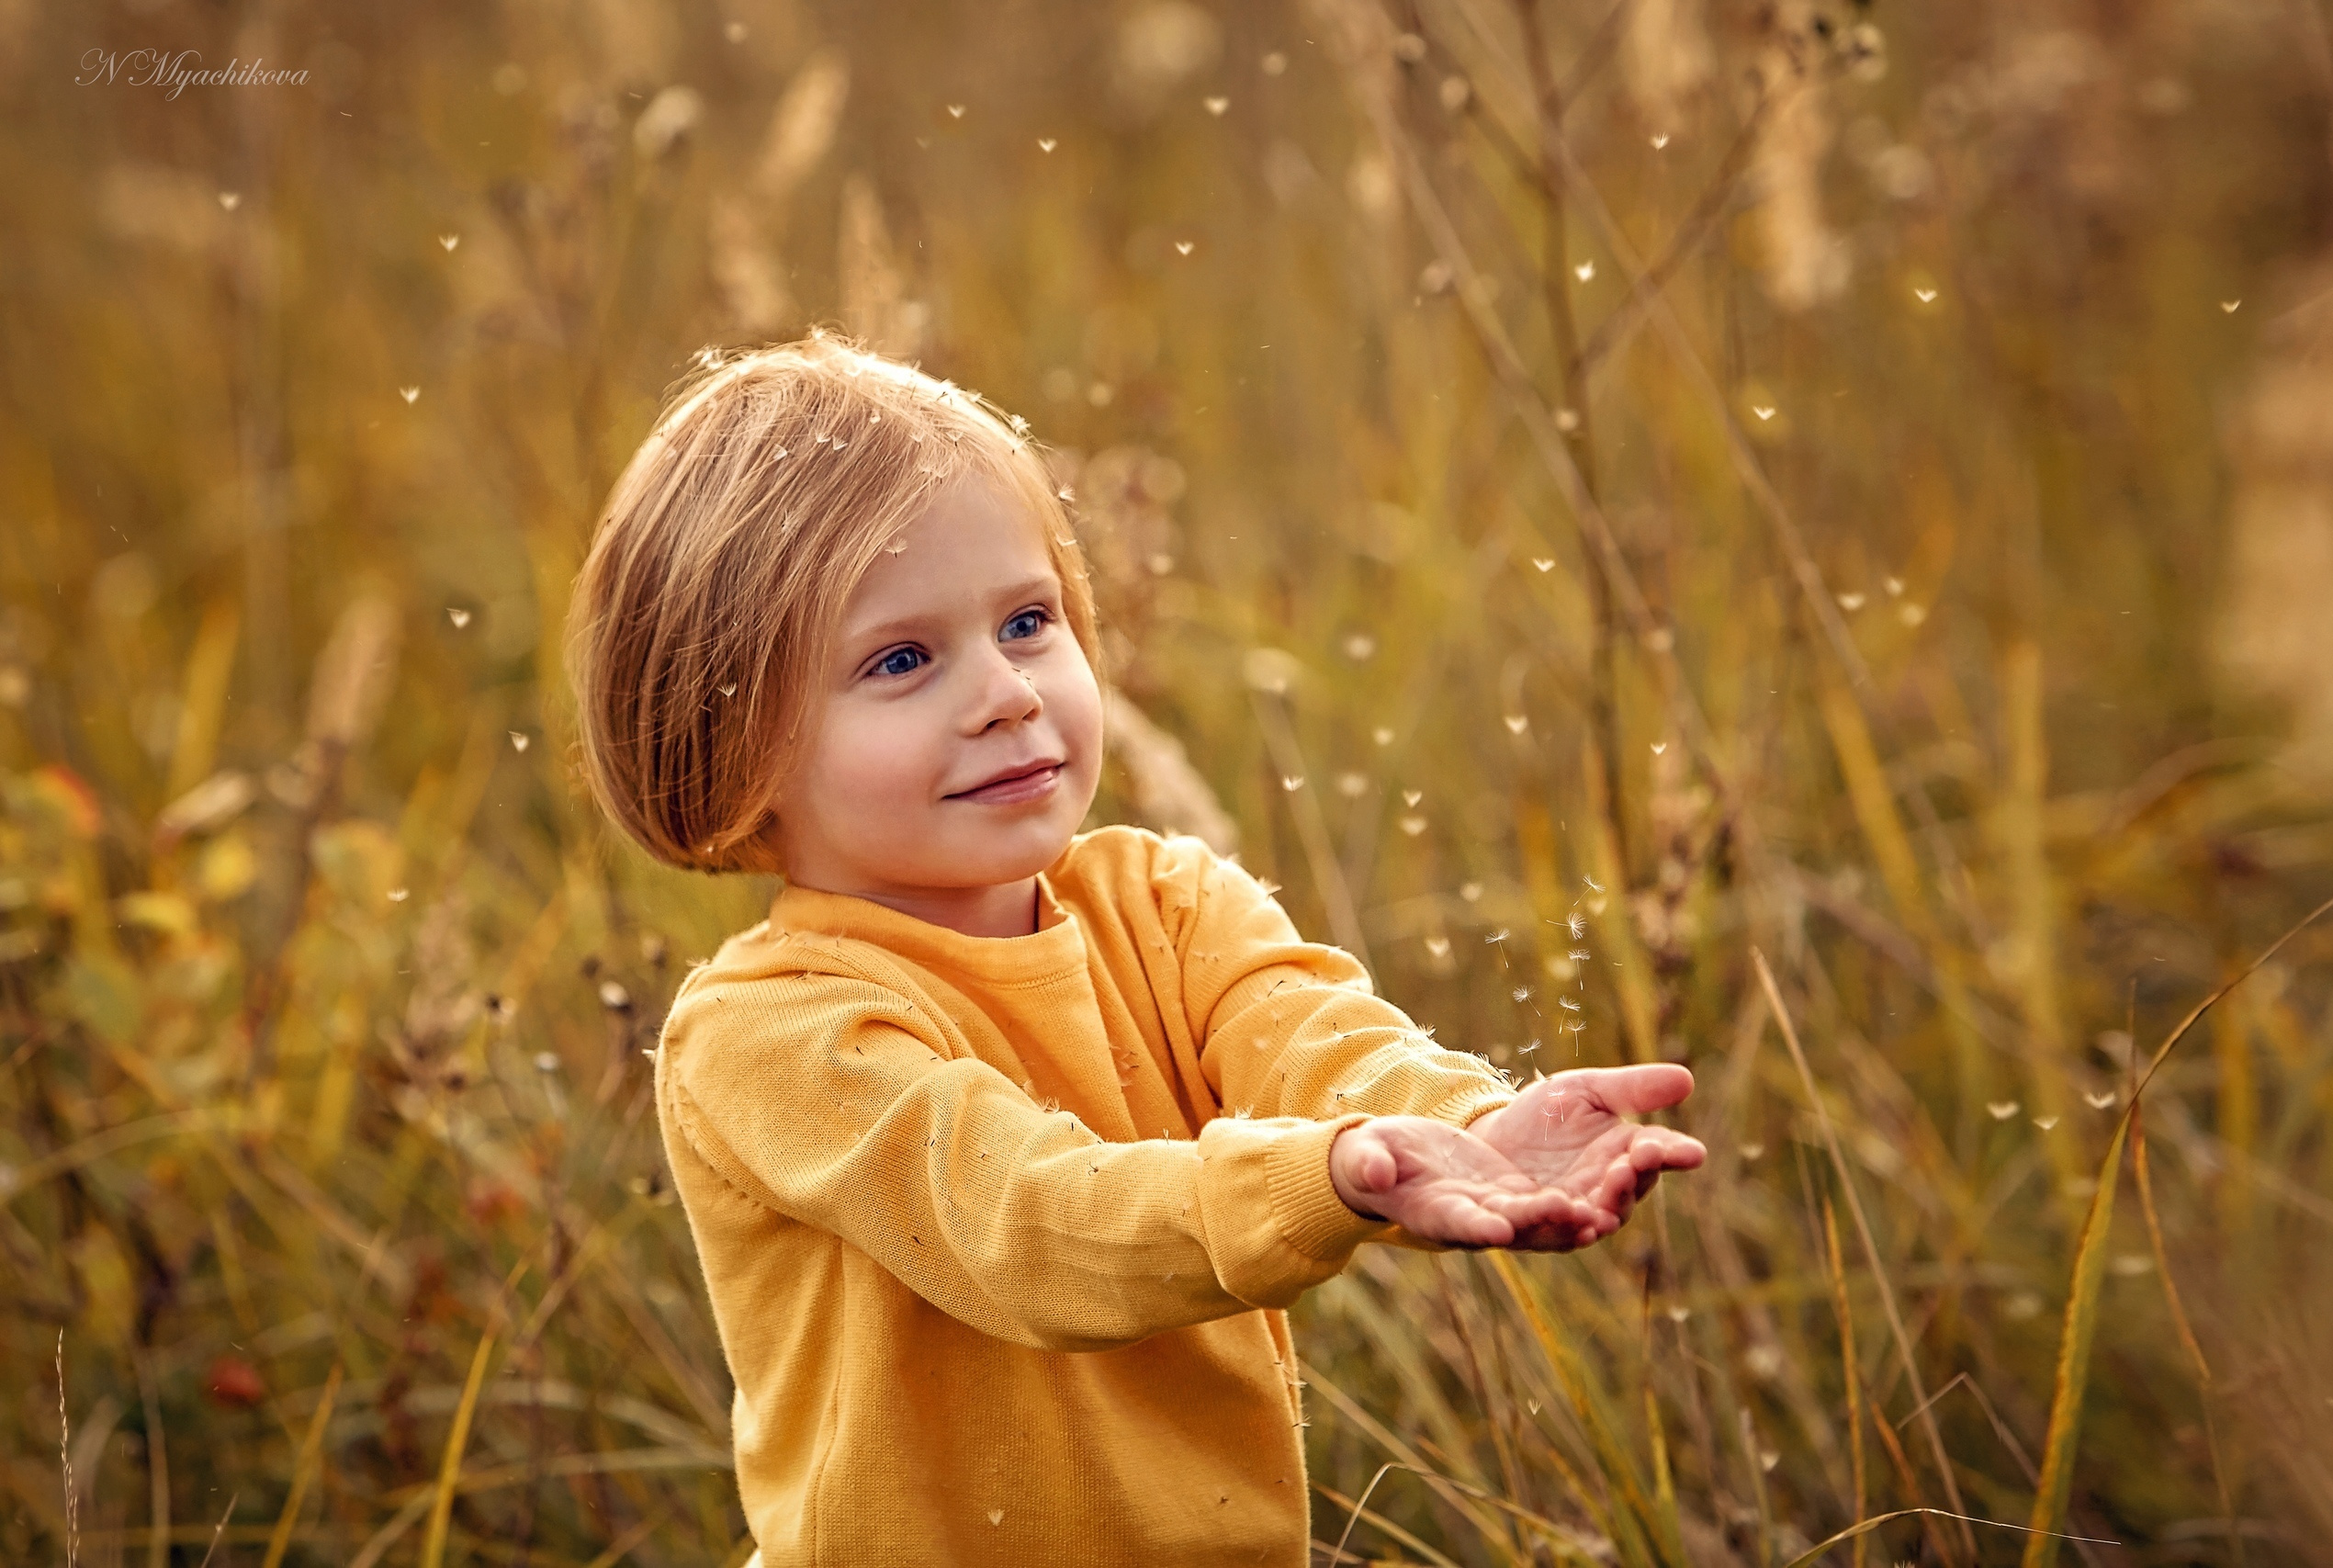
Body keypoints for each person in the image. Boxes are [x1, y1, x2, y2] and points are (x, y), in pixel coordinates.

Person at [562, 333, 1707, 1566]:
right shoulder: (767, 1032)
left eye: (1028, 619)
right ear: (733, 745)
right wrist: (1327, 1177)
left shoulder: (1165, 904)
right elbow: (1021, 1221)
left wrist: (1454, 1129)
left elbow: (1319, 1041)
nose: (1006, 690)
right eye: (901, 659)